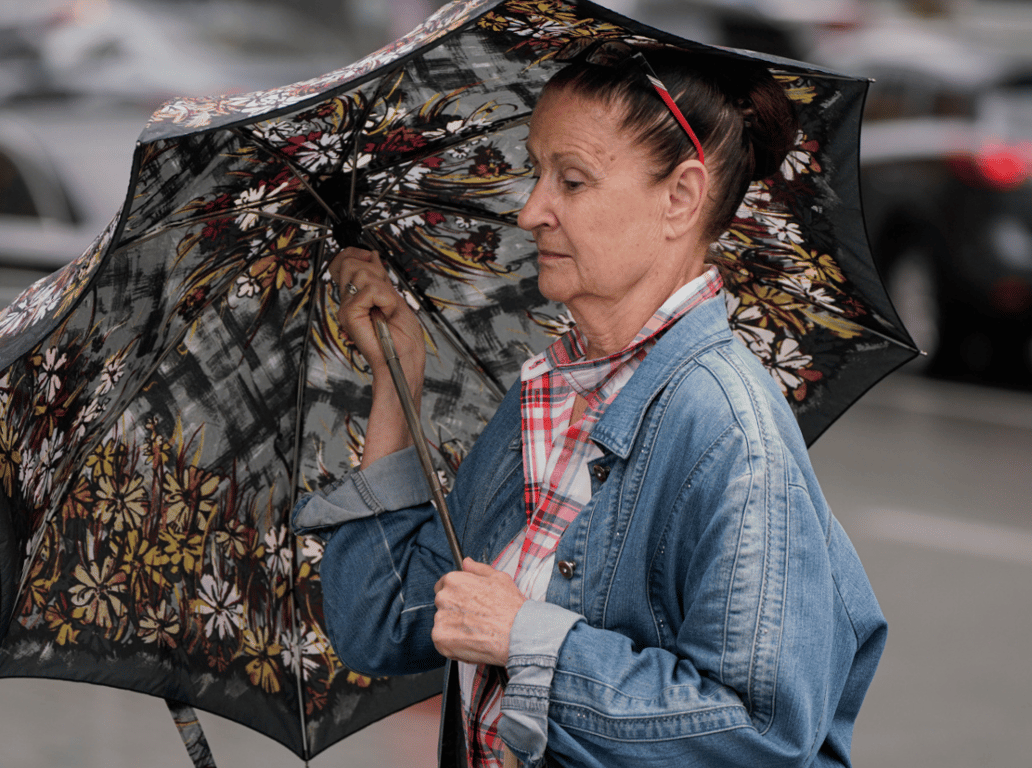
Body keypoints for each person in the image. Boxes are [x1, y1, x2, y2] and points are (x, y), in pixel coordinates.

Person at [293, 44, 886, 768]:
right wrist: (396, 379)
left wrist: (526, 639)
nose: (530, 210)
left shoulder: (730, 431)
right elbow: (383, 622)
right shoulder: (548, 396)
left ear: (680, 197)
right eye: (536, 172)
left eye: (571, 181)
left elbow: (762, 735)